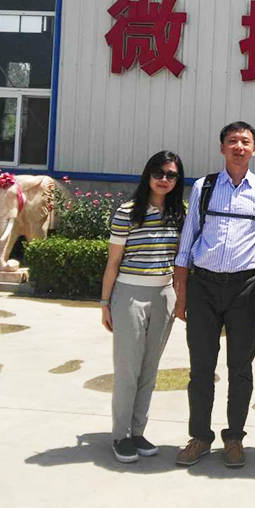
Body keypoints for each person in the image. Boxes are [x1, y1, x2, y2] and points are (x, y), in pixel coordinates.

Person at [172, 121, 255, 468]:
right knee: (201, 367)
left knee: (240, 368)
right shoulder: (204, 187)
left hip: (245, 289)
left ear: (254, 150)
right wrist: (182, 294)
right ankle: (200, 437)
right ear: (222, 148)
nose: (238, 147)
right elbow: (188, 239)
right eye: (232, 141)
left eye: (245, 142)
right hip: (202, 287)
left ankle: (234, 439)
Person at [101, 150, 186, 464]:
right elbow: (113, 262)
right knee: (128, 369)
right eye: (158, 173)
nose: (164, 180)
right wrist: (105, 303)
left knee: (149, 369)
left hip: (164, 296)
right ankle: (120, 435)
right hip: (129, 296)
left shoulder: (179, 215)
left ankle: (138, 432)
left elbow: (180, 262)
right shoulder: (127, 212)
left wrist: (180, 299)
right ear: (148, 175)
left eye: (171, 175)